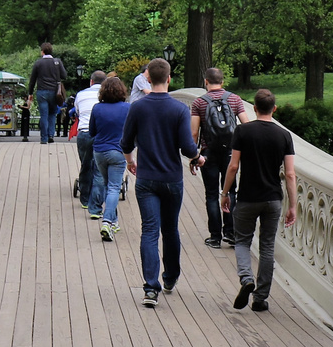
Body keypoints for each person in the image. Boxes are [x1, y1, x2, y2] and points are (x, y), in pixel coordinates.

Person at [122, 58, 204, 308]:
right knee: (170, 230)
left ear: (148, 78)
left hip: (146, 179)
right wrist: (198, 158)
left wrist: (130, 161)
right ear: (169, 79)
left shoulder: (137, 108)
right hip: (171, 179)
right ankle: (169, 278)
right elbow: (187, 147)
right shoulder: (179, 109)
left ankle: (150, 288)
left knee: (149, 230)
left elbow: (126, 143)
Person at [221, 88, 297, 312]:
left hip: (247, 197)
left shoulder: (243, 131)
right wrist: (293, 206)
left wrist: (225, 193)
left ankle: (246, 279)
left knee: (243, 241)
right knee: (267, 246)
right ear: (274, 108)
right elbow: (290, 174)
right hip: (273, 198)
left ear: (253, 108)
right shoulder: (284, 135)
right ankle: (260, 298)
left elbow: (233, 166)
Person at [190, 68, 250, 250]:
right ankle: (231, 233)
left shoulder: (199, 102)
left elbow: (194, 132)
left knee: (211, 194)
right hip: (230, 153)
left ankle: (215, 237)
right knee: (230, 191)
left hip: (208, 153)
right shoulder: (234, 99)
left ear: (205, 81)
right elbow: (246, 125)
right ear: (222, 82)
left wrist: (194, 157)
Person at [87, 74, 130, 240]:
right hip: (118, 152)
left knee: (107, 185)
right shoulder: (127, 108)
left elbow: (92, 132)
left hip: (99, 151)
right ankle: (107, 221)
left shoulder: (97, 108)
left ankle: (114, 221)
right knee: (113, 187)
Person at [74, 70, 107, 209]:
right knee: (99, 169)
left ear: (91, 81)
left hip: (84, 132)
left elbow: (77, 112)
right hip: (102, 133)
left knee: (85, 164)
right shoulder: (108, 95)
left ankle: (85, 199)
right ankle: (97, 200)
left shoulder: (80, 94)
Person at [26, 43, 67, 144]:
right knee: (52, 114)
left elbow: (32, 80)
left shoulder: (38, 63)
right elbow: (64, 75)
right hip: (54, 91)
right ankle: (51, 135)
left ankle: (44, 138)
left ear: (42, 52)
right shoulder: (57, 62)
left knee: (44, 115)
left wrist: (30, 93)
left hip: (42, 92)